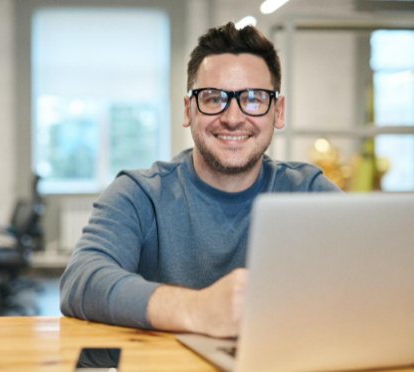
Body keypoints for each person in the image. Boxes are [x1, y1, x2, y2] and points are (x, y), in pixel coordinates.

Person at [59, 22, 341, 338]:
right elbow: (82, 280)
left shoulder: (309, 193)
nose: (233, 118)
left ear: (278, 111)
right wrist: (197, 310)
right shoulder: (140, 195)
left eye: (253, 98)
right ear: (188, 110)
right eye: (212, 98)